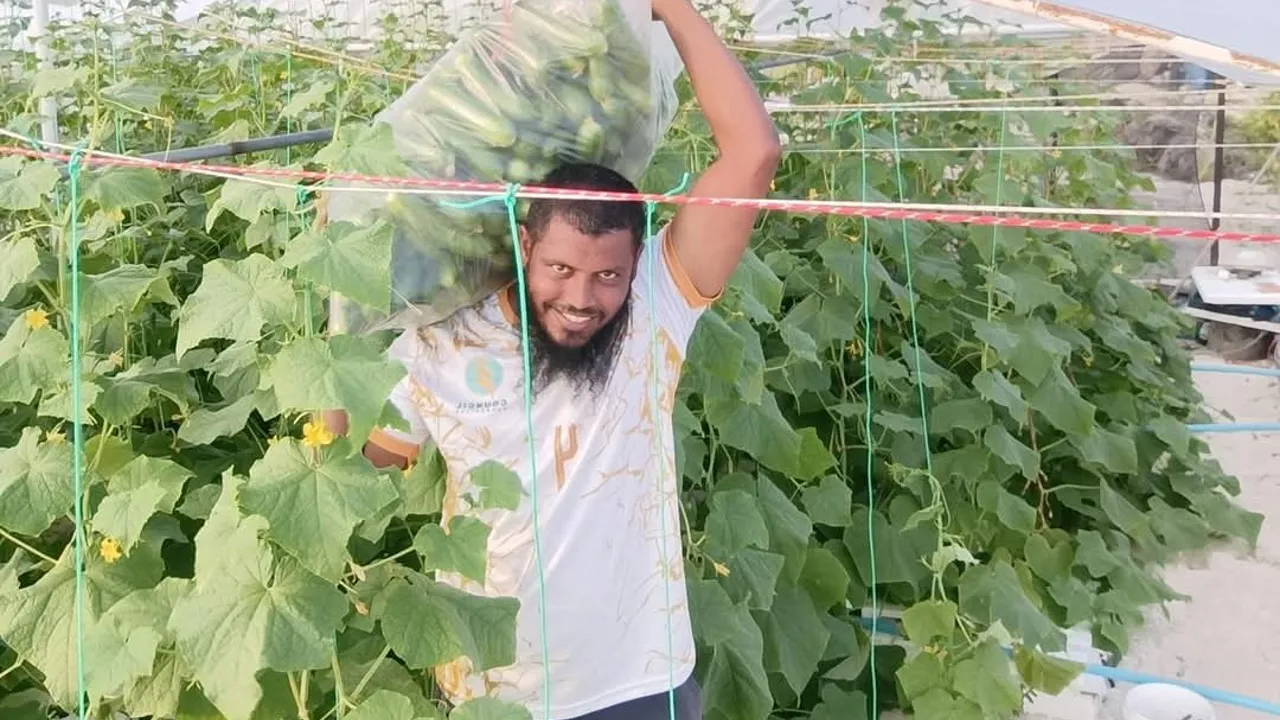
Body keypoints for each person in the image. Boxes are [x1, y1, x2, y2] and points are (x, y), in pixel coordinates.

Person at [323, 0, 780, 718]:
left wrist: (672, 10)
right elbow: (344, 473)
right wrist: (336, 301)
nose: (582, 299)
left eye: (608, 276)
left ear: (638, 264)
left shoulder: (655, 309)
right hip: (491, 692)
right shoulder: (438, 342)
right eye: (561, 270)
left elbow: (752, 153)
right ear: (524, 246)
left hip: (637, 683)